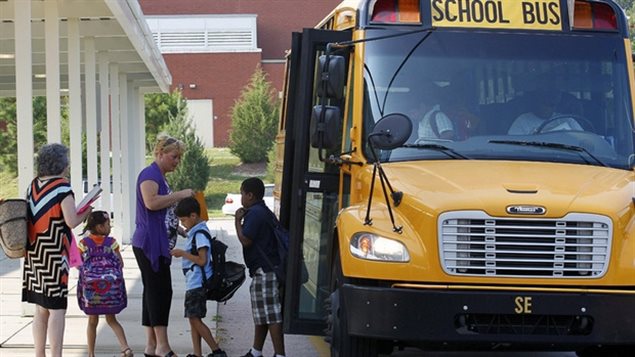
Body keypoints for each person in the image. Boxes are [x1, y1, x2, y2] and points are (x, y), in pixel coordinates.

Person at [22, 143, 93, 357]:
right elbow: (71, 221)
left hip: (34, 252)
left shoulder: (33, 185)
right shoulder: (62, 187)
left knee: (40, 308)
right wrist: (87, 211)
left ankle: (39, 354)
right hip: (54, 254)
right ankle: (56, 355)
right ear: (62, 163)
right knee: (57, 308)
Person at [131, 133, 194, 357]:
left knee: (153, 291)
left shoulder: (159, 176)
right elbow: (151, 203)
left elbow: (163, 213)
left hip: (156, 240)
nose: (177, 161)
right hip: (150, 243)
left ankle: (151, 345)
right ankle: (163, 346)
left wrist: (180, 230)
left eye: (179, 158)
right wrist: (181, 195)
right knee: (161, 291)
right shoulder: (149, 174)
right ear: (160, 153)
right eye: (174, 157)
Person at [234, 178, 286, 357]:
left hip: (266, 271)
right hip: (266, 269)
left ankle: (280, 354)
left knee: (271, 315)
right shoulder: (263, 211)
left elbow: (246, 240)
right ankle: (256, 352)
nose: (241, 197)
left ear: (250, 195)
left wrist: (237, 222)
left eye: (242, 193)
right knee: (262, 313)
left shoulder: (255, 214)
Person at [170, 197, 228, 357]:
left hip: (197, 283)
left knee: (195, 319)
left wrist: (183, 253)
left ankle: (217, 351)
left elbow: (202, 260)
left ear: (193, 216)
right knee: (192, 318)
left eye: (183, 220)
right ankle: (197, 353)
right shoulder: (195, 232)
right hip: (193, 283)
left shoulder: (200, 235)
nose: (182, 224)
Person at [78, 211, 133, 357]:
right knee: (112, 319)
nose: (110, 227)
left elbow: (78, 263)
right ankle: (125, 348)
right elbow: (120, 263)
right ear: (100, 227)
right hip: (110, 291)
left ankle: (91, 353)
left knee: (92, 321)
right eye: (108, 224)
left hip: (92, 292)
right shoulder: (112, 243)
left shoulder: (84, 244)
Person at [507, 89, 583, 135]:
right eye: (544, 103)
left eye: (551, 105)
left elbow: (584, 140)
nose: (547, 107)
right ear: (537, 103)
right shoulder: (522, 121)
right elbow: (513, 146)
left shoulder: (567, 120)